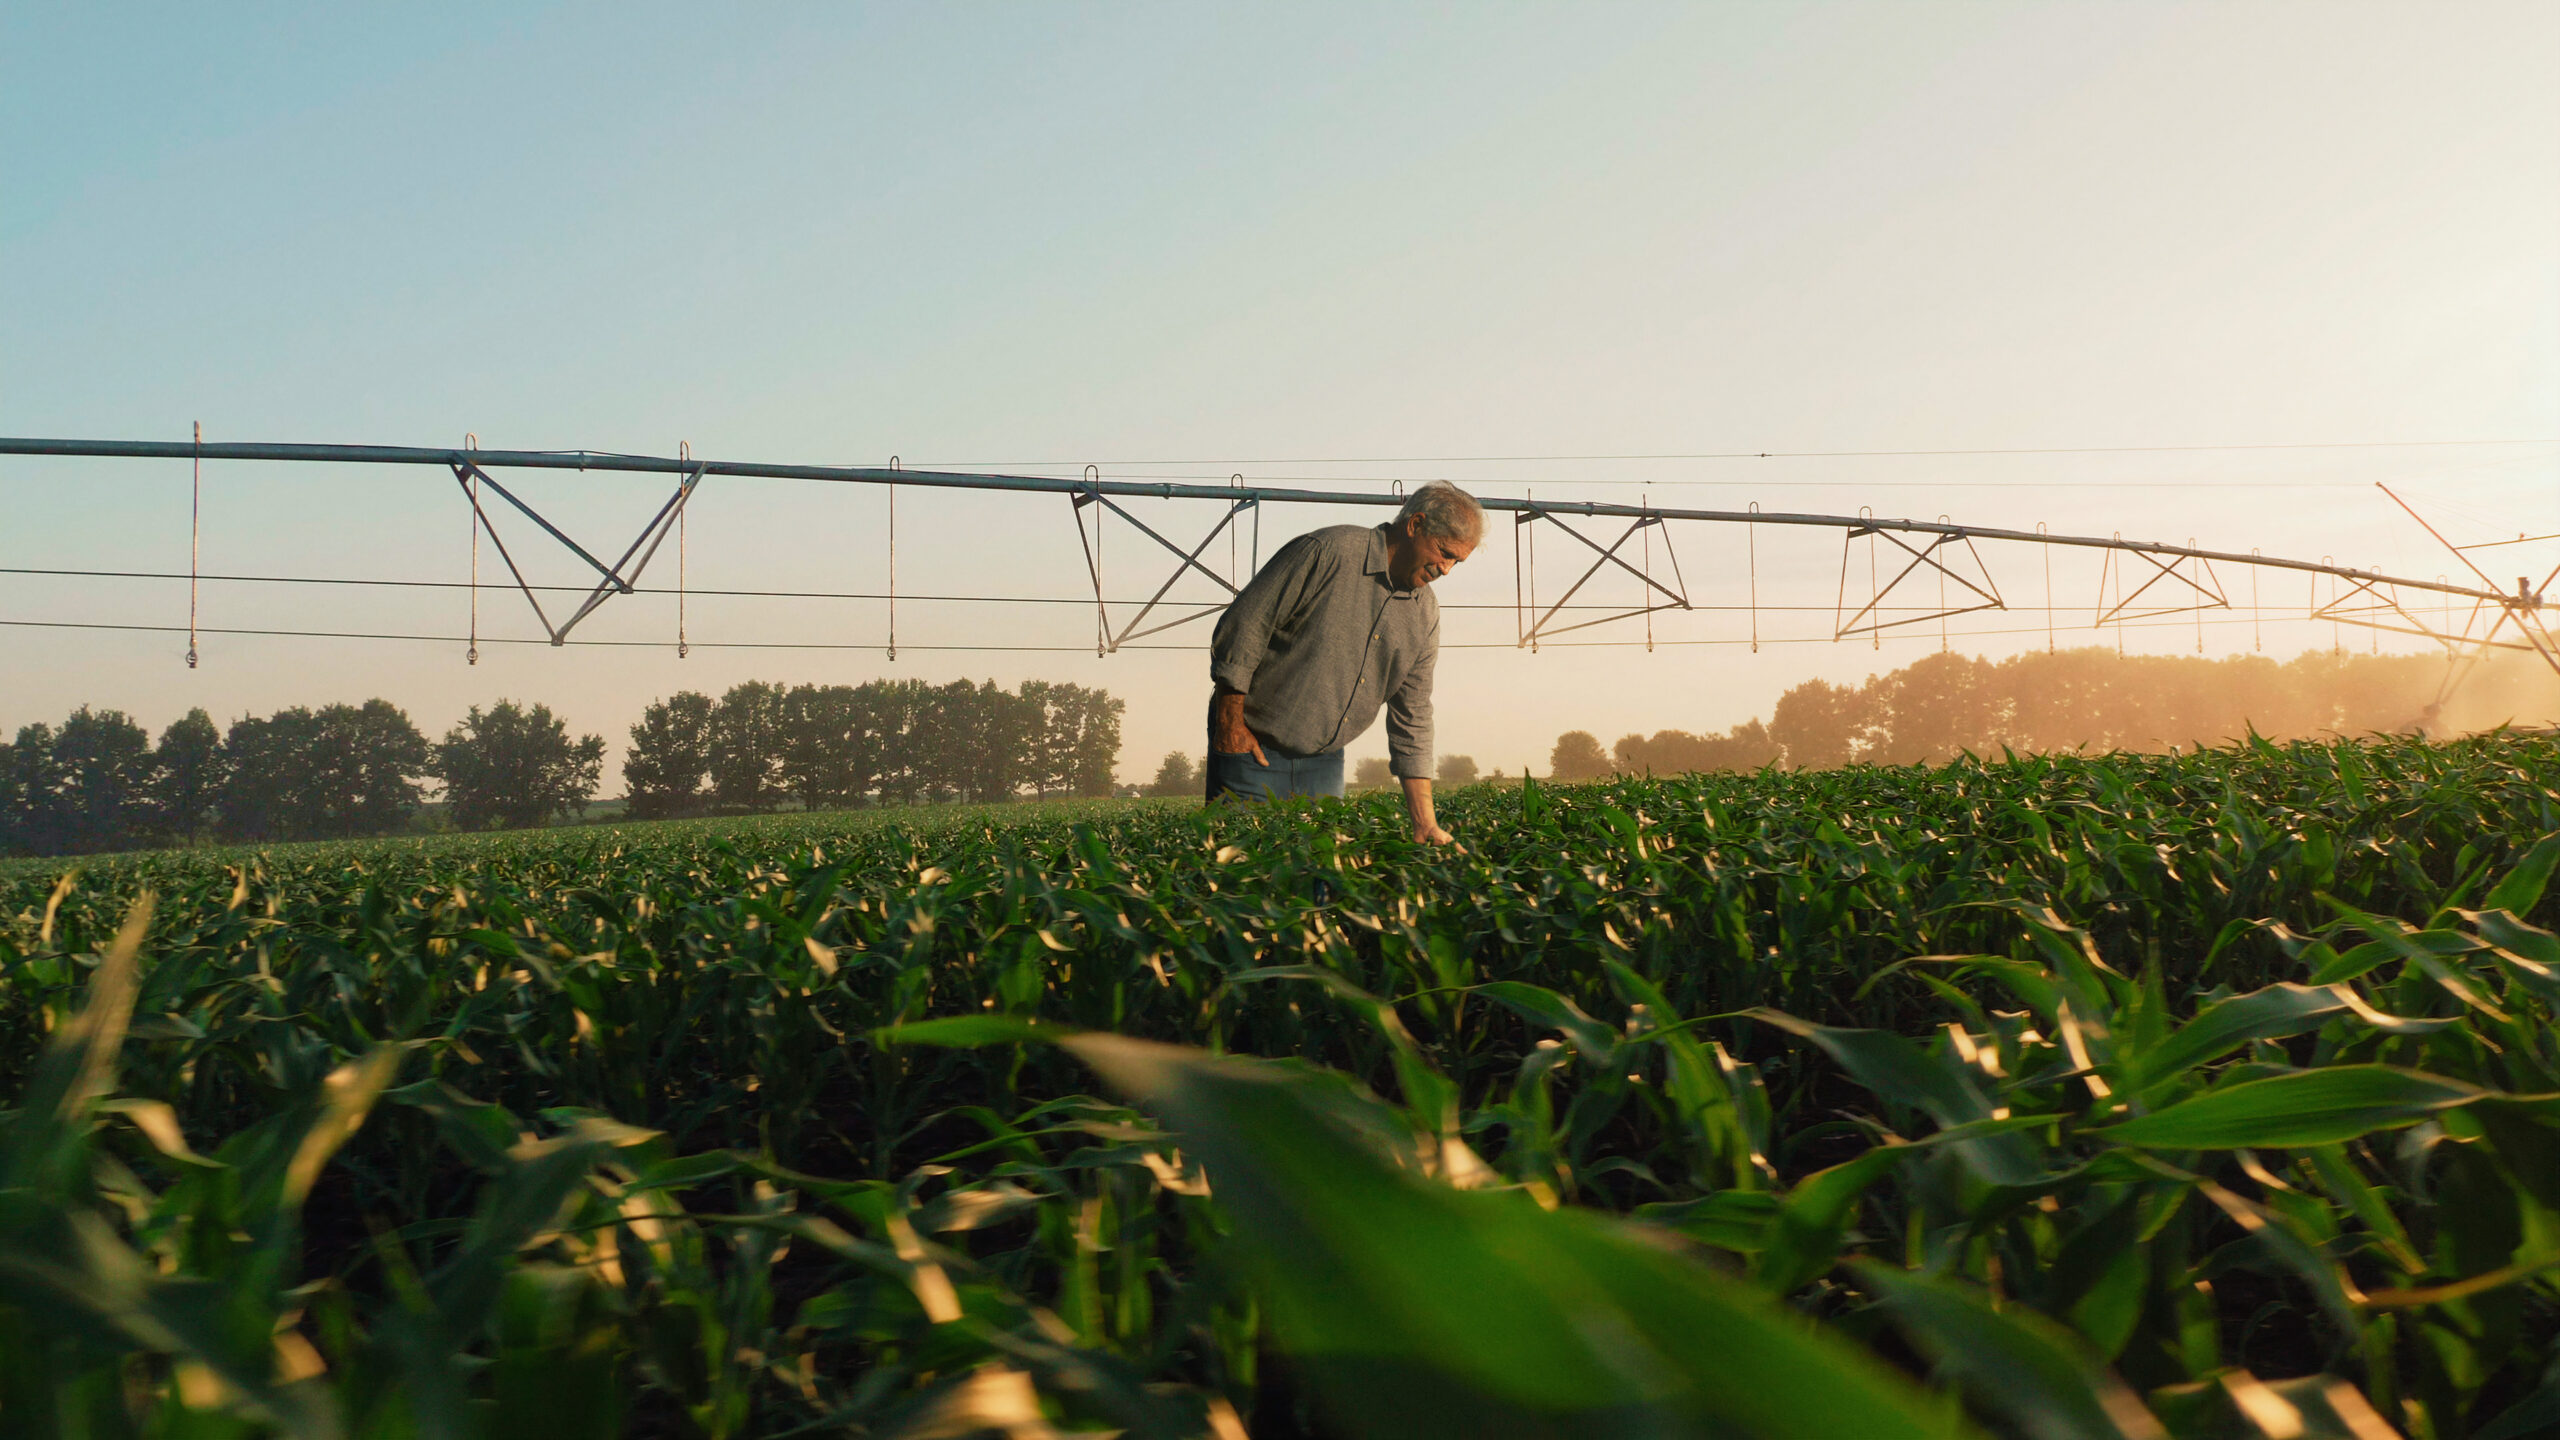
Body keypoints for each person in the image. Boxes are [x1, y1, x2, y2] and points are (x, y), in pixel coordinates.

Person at [1204, 480, 1483, 843]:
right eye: (1444, 553)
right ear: (1415, 526)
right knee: (1241, 875)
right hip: (1251, 752)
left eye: (1456, 562)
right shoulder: (1326, 552)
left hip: (1325, 765)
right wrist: (1230, 725)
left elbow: (1412, 714)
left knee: (1318, 886)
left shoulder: (1424, 613)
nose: (1446, 569)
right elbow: (1245, 625)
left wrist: (1425, 822)